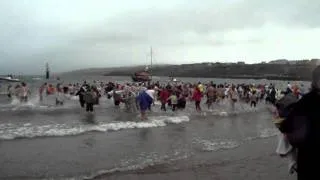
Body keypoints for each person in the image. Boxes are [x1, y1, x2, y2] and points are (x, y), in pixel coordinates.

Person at [279, 66, 320, 180]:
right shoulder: (305, 102)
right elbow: (286, 126)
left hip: (308, 157)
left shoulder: (305, 102)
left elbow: (285, 126)